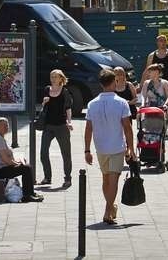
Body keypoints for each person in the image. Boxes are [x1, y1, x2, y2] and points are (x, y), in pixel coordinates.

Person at [84, 69, 136, 225]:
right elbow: (127, 127)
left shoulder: (92, 104)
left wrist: (87, 149)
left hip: (100, 147)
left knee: (106, 179)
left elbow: (88, 128)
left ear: (101, 84)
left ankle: (110, 208)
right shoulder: (121, 103)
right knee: (113, 180)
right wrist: (131, 148)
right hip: (117, 147)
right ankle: (108, 210)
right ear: (114, 82)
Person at [0, 118, 43, 202]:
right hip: (0, 170)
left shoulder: (0, 137)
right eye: (3, 125)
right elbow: (5, 160)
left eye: (7, 125)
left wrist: (18, 161)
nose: (6, 127)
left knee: (25, 165)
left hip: (5, 167)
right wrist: (17, 163)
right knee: (26, 168)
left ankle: (30, 192)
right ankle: (27, 195)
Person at [38, 69, 73, 188]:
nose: (53, 79)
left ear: (61, 78)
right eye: (51, 76)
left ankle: (67, 178)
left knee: (66, 153)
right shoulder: (47, 90)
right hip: (48, 125)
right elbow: (43, 106)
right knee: (43, 152)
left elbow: (68, 108)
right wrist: (44, 102)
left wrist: (69, 122)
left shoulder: (65, 91)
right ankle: (47, 177)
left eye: (55, 77)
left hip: (61, 126)